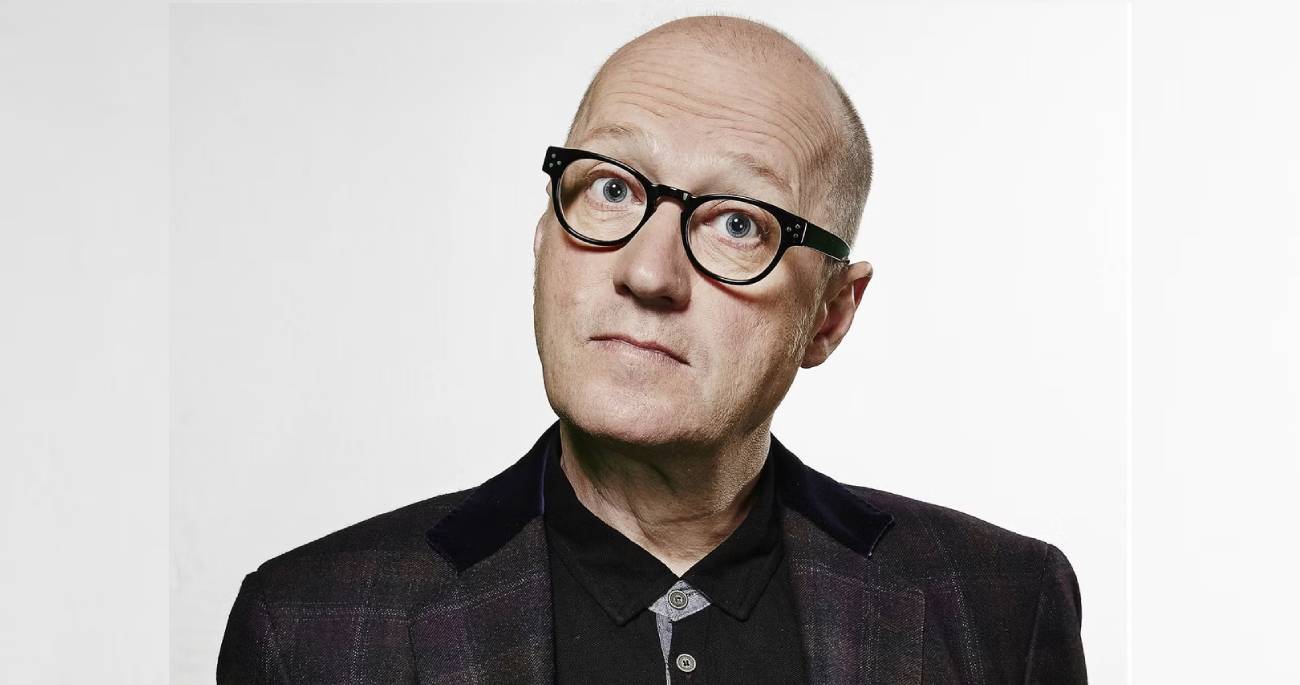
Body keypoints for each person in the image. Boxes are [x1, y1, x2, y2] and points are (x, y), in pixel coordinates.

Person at [217, 14, 1087, 684]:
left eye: (739, 222)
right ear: (542, 240)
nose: (647, 271)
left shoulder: (1002, 607)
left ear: (829, 314)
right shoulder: (309, 627)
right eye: (610, 187)